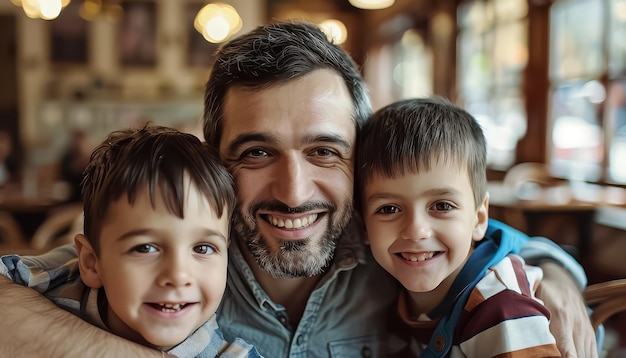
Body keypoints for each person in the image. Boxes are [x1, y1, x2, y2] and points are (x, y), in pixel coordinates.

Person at [0, 21, 596, 357]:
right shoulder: (176, 255)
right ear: (216, 161)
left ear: (360, 162)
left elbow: (485, 243)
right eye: (257, 152)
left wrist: (557, 273)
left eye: (324, 152)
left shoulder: (400, 248)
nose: (292, 190)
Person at [1, 125, 262, 357]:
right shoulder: (53, 284)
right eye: (146, 248)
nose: (179, 275)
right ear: (92, 263)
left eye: (203, 248)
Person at [356, 97, 561, 357]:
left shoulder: (502, 307)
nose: (417, 231)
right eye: (389, 209)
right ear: (363, 226)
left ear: (479, 219)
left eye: (442, 206)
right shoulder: (385, 288)